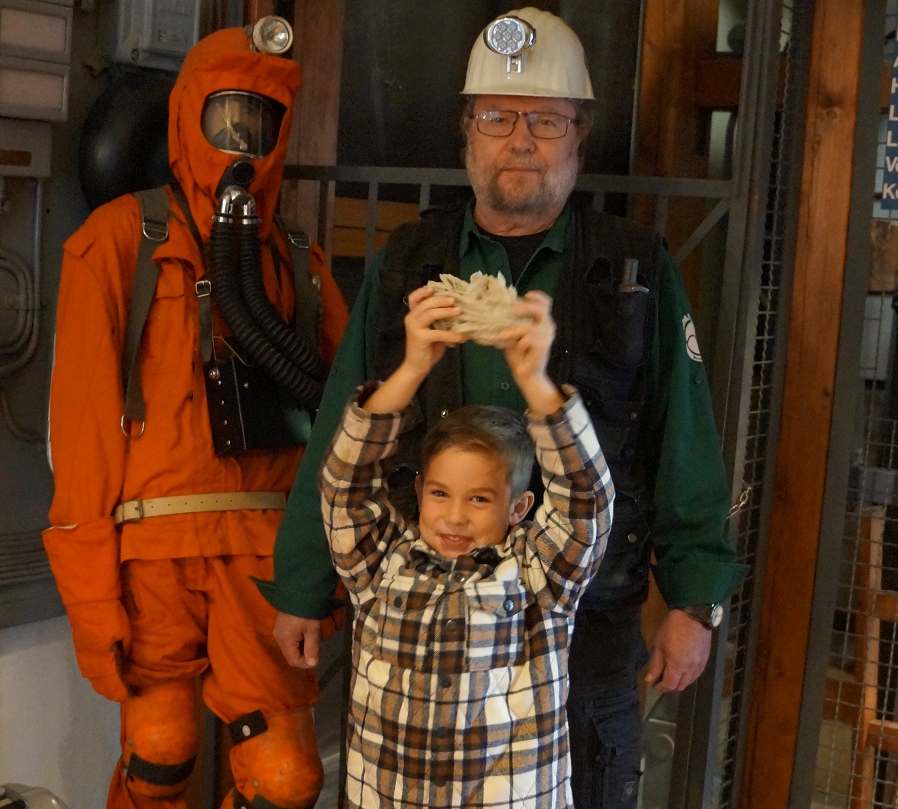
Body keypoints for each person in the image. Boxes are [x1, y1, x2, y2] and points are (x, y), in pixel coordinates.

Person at [257, 7, 747, 808]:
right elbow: (344, 448)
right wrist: (306, 582)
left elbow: (684, 437)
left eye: (546, 121)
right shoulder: (408, 263)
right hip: (424, 632)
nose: (521, 139)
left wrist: (694, 600)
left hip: (584, 630)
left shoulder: (635, 269)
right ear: (467, 135)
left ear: (578, 137)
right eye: (498, 117)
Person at [44, 26, 349, 809]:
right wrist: (91, 596)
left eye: (261, 123)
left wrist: (327, 573)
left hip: (266, 553)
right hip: (152, 546)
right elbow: (79, 428)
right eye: (225, 120)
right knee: (160, 752)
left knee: (285, 780)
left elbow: (349, 421)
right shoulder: (116, 245)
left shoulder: (298, 261)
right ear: (185, 119)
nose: (242, 143)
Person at [321, 284, 613, 808]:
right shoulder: (378, 565)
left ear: (519, 509)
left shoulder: (539, 579)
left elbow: (587, 499)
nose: (455, 516)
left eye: (479, 498)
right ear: (419, 491)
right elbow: (345, 482)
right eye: (440, 493)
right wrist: (411, 368)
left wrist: (534, 380)